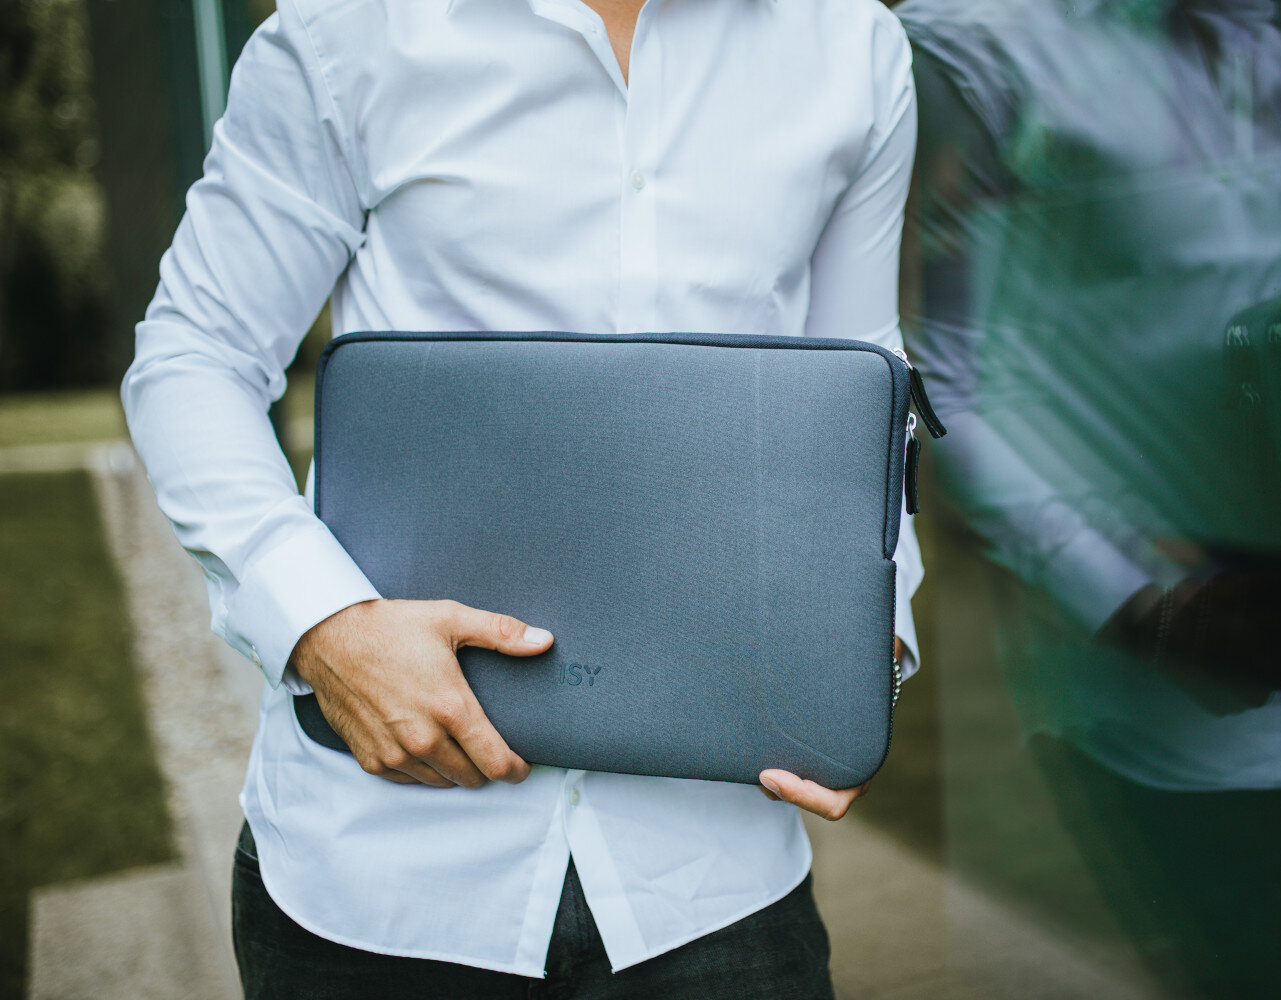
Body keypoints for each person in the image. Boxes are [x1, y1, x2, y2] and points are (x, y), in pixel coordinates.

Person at [121, 1, 924, 996]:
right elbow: (195, 355)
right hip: (379, 883)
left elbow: (865, 380)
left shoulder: (849, 46)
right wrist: (323, 625)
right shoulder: (350, 29)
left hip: (715, 888)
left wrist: (866, 641)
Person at [895, 0, 1281, 995]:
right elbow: (941, 379)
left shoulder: (1274, 43)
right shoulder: (982, 52)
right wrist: (1135, 602)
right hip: (1156, 701)